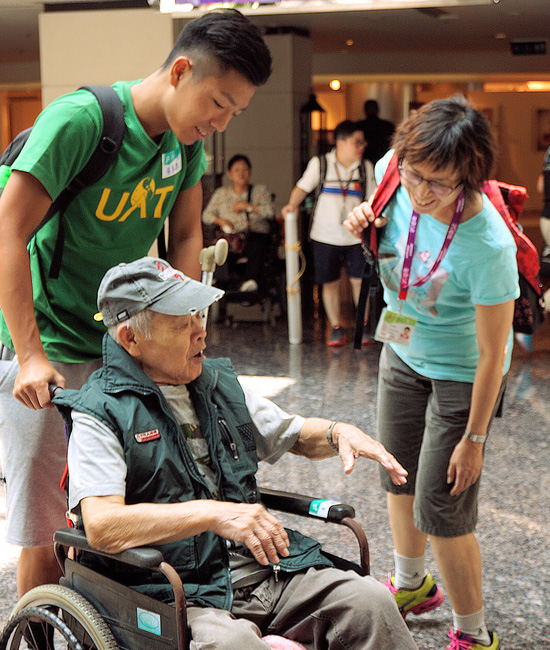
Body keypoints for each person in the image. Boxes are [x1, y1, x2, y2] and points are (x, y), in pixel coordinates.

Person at [0, 9, 272, 600]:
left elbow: (186, 235)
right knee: (45, 528)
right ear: (180, 71)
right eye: (218, 103)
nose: (220, 122)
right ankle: (40, 630)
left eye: (235, 112)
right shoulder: (81, 122)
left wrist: (180, 330)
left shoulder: (184, 147)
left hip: (119, 344)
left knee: (118, 511)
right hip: (46, 343)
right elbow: (8, 230)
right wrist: (29, 355)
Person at [53, 256, 418, 650]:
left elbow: (291, 433)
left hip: (263, 570)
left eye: (197, 316)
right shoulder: (100, 411)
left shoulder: (216, 384)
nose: (201, 332)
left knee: (370, 603)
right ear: (131, 339)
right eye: (182, 323)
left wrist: (337, 432)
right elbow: (104, 525)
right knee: (233, 644)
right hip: (173, 592)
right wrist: (216, 514)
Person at [345, 97, 519, 650]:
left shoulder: (488, 245)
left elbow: (493, 354)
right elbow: (384, 230)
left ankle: (475, 634)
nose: (420, 192)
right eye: (414, 175)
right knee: (396, 472)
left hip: (462, 375)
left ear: (468, 178)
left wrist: (475, 439)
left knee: (442, 507)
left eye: (438, 185)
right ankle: (413, 584)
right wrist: (362, 220)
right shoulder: (393, 172)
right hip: (402, 350)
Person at [282, 121, 375, 347]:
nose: (362, 147)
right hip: (324, 234)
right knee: (329, 282)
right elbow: (302, 188)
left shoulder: (365, 167)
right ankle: (336, 327)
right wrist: (291, 206)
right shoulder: (321, 163)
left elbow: (373, 199)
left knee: (359, 281)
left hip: (356, 235)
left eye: (363, 142)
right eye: (357, 142)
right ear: (340, 142)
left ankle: (362, 327)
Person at [202, 154, 274, 292]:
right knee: (219, 246)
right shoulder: (221, 193)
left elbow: (270, 212)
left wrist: (248, 207)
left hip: (252, 235)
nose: (241, 173)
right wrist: (220, 221)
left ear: (250, 171)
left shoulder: (259, 191)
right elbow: (206, 215)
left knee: (258, 243)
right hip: (230, 236)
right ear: (230, 174)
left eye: (244, 169)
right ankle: (220, 282)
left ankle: (250, 281)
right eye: (236, 170)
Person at [357, 100, 395, 166]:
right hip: (382, 160)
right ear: (378, 110)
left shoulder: (359, 126)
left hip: (369, 160)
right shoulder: (387, 126)